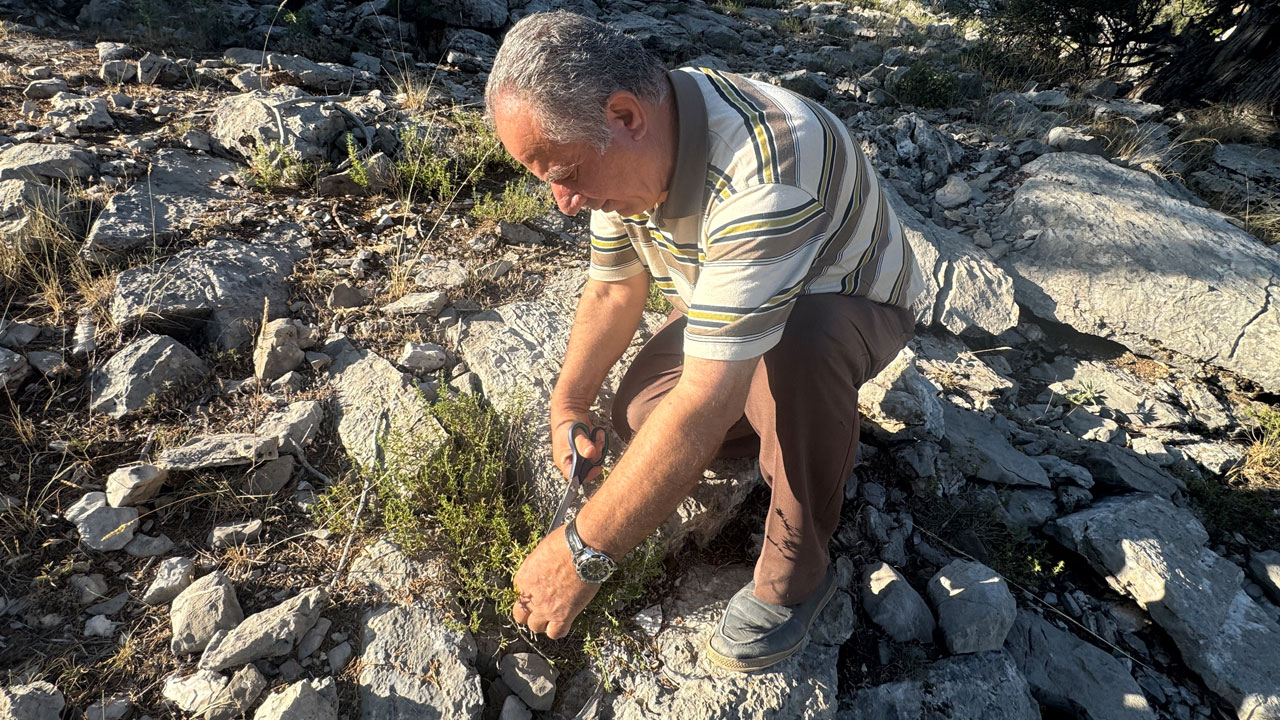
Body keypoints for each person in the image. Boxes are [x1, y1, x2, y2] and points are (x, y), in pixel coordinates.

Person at [484, 11, 923, 672]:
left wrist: (584, 551)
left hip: (849, 304)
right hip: (742, 293)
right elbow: (612, 290)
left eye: (565, 171)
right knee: (638, 413)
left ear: (626, 116)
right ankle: (793, 417)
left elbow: (705, 402)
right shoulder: (635, 148)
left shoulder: (769, 168)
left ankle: (798, 572)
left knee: (795, 349)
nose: (562, 202)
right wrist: (568, 404)